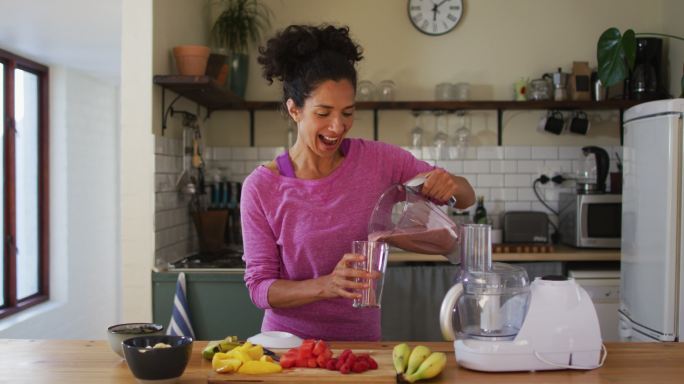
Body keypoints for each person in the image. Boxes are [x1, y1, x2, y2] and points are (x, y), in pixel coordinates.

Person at [241, 24, 475, 341]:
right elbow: (259, 288)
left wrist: (449, 184)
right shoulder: (261, 187)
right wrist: (327, 285)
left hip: (361, 345)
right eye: (323, 113)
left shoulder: (380, 161)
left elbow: (466, 197)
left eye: (347, 112)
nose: (337, 127)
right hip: (288, 347)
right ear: (294, 110)